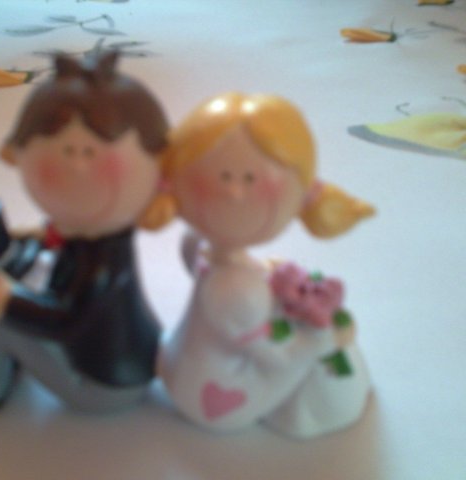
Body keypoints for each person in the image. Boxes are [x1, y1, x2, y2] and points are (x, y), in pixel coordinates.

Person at [0, 51, 169, 415]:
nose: (77, 165)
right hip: (122, 359)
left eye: (88, 152)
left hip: (103, 386)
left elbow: (69, 320)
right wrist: (38, 239)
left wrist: (6, 304)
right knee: (19, 285)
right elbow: (65, 256)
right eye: (66, 151)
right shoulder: (91, 237)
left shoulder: (103, 262)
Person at [154, 92, 373, 437]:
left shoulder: (198, 244)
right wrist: (325, 338)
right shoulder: (238, 290)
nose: (234, 192)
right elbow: (280, 359)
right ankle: (311, 414)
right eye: (224, 177)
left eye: (249, 179)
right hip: (217, 400)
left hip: (177, 366)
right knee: (327, 356)